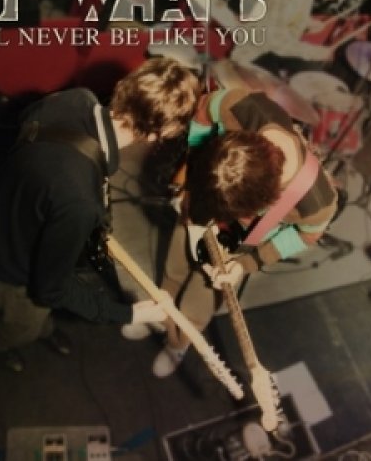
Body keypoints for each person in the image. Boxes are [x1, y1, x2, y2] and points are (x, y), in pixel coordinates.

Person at [0, 57, 200, 372]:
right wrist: (131, 314)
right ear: (157, 133)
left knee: (40, 317)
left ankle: (43, 329)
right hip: (11, 272)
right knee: (24, 323)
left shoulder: (76, 98)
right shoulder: (80, 201)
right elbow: (50, 288)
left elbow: (28, 126)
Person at [123, 88, 339, 377]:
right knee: (173, 270)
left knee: (196, 307)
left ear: (266, 201)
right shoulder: (240, 106)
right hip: (199, 202)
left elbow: (306, 235)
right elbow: (204, 110)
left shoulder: (316, 203)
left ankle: (177, 344)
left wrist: (246, 264)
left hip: (236, 243)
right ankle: (158, 314)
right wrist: (193, 175)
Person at [231, 0, 360, 74]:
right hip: (253, 51)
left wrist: (306, 22)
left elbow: (284, 14)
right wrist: (313, 52)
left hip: (270, 46)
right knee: (306, 75)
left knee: (311, 71)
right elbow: (274, 40)